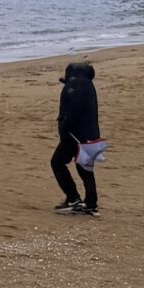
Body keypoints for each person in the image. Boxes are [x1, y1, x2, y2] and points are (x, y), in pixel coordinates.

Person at [53, 61, 100, 216]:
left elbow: (72, 112)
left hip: (75, 134)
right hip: (92, 134)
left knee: (57, 163)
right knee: (86, 170)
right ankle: (91, 204)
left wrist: (64, 128)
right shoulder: (88, 85)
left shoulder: (75, 86)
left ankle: (73, 199)